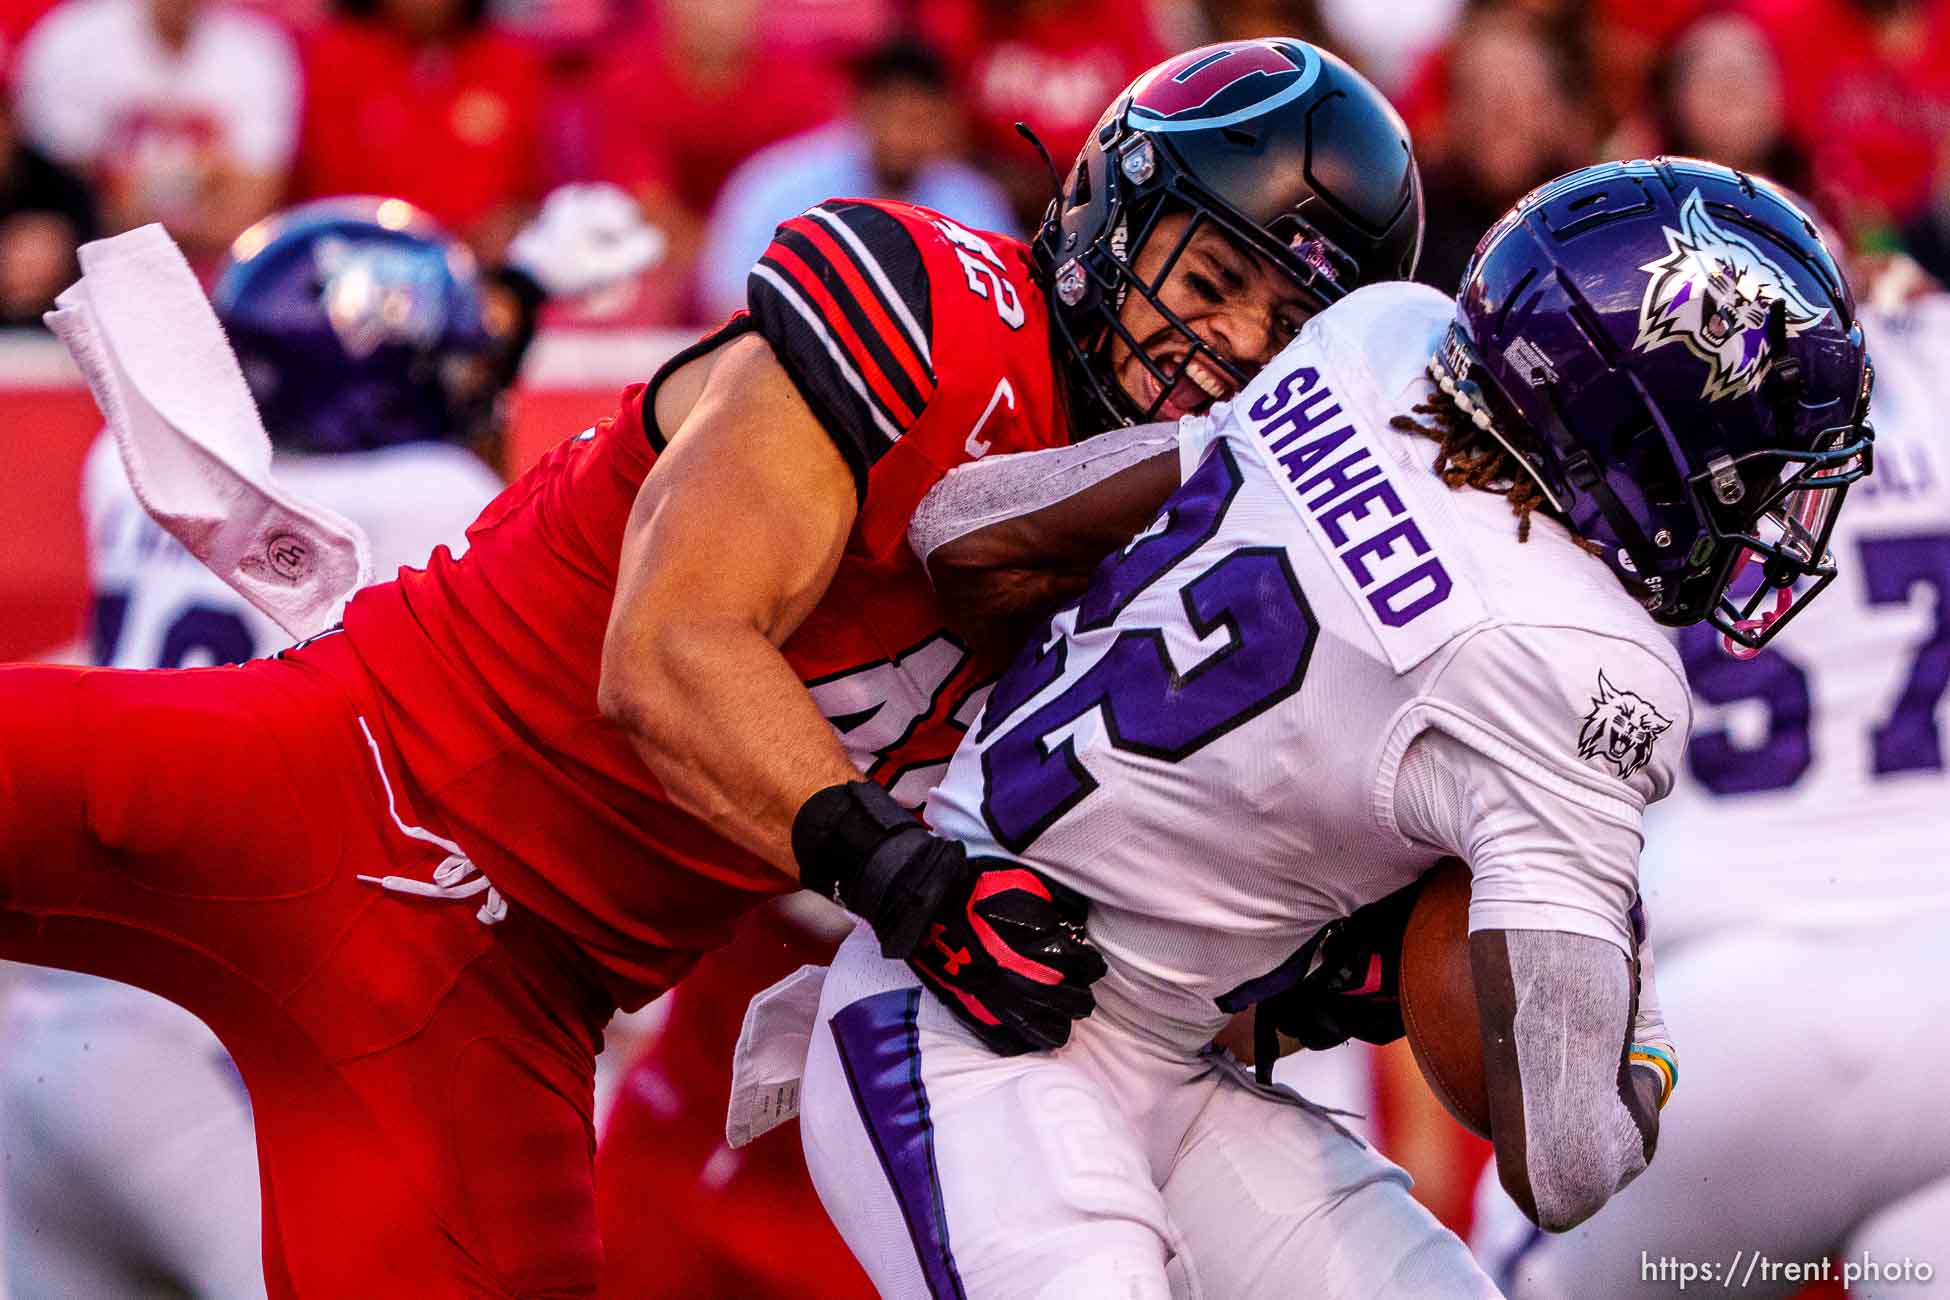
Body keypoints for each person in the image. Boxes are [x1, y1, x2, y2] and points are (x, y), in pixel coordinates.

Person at [0, 38, 1422, 1295]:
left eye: (1290, 326)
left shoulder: (1205, 580)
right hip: (330, 772)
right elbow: (670, 653)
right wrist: (910, 881)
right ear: (1115, 217)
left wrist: (1313, 963)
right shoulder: (939, 312)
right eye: (1217, 276)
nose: (1232, 343)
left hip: (505, 1010)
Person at [786, 157, 1872, 1296]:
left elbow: (972, 534)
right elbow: (1567, 1158)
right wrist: (1642, 1047)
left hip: (1144, 1043)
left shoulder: (1381, 337)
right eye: (1751, 465)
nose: (1762, 509)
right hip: (967, 1045)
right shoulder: (1587, 668)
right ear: (1639, 432)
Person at [0, 185, 658, 1299]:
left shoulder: (126, 469)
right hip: (222, 1042)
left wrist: (517, 299)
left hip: (61, 1026)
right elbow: (495, 517)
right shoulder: (426, 498)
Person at [1469, 227, 1950, 1300]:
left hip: (1730, 994)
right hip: (1942, 986)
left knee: (1504, 1280)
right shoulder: (1933, 362)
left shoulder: (1625, 432)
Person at [694, 33, 1015, 322]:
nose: (902, 136)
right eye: (892, 117)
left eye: (920, 121)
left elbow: (1004, 311)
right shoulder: (777, 184)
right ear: (860, 108)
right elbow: (726, 297)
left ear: (946, 120)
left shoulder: (972, 201)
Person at [12, 0, 298, 267]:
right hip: (94, 266)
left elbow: (251, 211)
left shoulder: (257, 49)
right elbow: (64, 197)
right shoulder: (73, 39)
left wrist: (134, 201)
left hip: (216, 270)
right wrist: (206, 181)